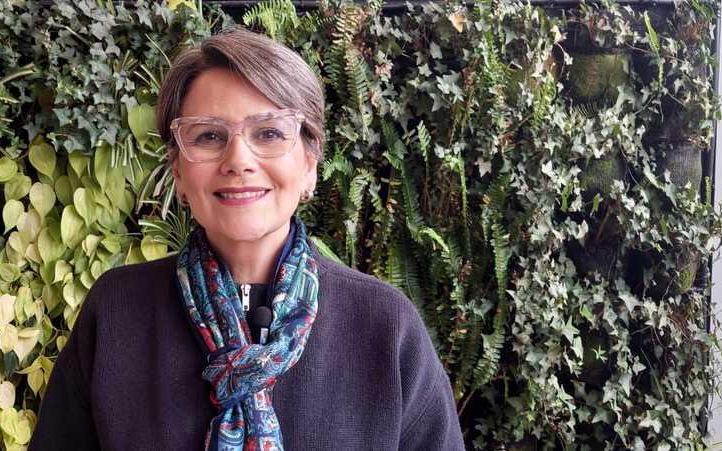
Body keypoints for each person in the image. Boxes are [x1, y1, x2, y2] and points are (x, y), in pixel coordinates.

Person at [29, 28, 465, 450]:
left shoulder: (384, 328)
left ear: (310, 164)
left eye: (270, 133)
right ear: (178, 170)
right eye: (209, 136)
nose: (238, 159)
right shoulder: (117, 312)